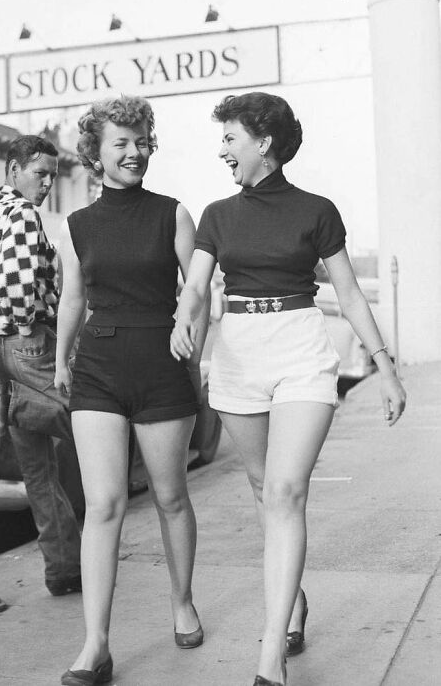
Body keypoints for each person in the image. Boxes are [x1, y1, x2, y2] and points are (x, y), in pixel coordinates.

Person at [170, 91, 407, 686]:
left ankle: (269, 654)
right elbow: (196, 287)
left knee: (285, 492)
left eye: (230, 138)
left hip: (300, 347)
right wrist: (183, 317)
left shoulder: (317, 211)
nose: (221, 149)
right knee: (262, 489)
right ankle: (293, 600)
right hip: (239, 351)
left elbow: (349, 293)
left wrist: (384, 366)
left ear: (263, 142)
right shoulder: (218, 215)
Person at [54, 96, 209, 686]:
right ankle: (95, 643)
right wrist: (63, 360)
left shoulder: (173, 214)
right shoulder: (76, 226)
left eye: (141, 140)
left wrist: (190, 331)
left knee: (171, 497)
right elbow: (73, 296)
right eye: (121, 142)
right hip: (97, 366)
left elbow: (197, 289)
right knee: (104, 504)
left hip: (161, 363)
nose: (135, 152)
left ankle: (182, 601)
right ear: (95, 153)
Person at [0, 134, 81, 597]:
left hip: (2, 348)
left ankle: (63, 570)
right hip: (29, 342)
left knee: (39, 471)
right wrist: (28, 328)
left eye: (52, 176)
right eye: (39, 173)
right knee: (91, 423)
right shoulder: (21, 213)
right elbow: (20, 284)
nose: (46, 184)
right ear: (13, 170)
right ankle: (78, 560)